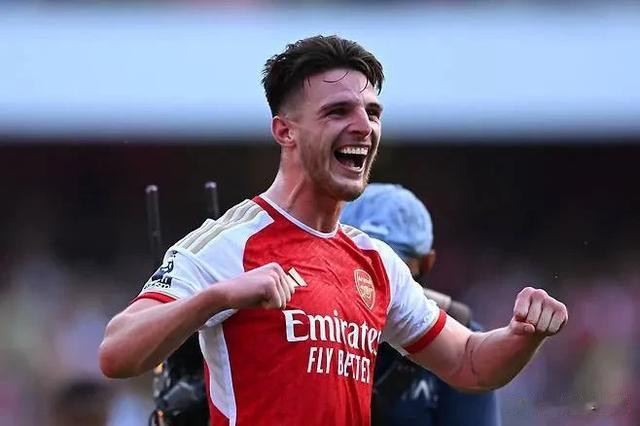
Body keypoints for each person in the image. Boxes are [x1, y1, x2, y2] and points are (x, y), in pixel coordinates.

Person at [99, 35, 568, 426]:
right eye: (338, 111)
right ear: (285, 131)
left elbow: (468, 363)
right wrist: (215, 299)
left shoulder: (375, 261)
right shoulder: (230, 241)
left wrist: (523, 334)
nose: (364, 126)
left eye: (372, 112)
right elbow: (116, 352)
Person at [341, 183, 500, 426]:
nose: (380, 278)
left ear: (427, 263)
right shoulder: (306, 327)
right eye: (364, 262)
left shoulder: (464, 345)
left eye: (393, 265)